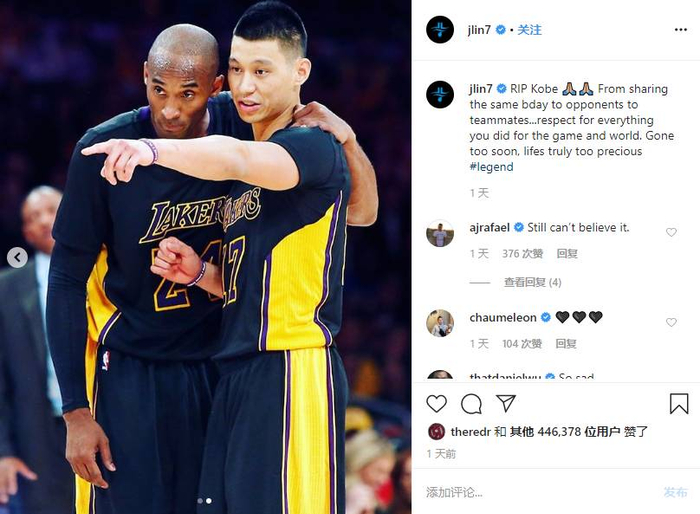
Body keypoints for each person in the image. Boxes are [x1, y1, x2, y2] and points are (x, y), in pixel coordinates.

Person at [48, 22, 376, 514]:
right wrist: (75, 408)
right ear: (143, 75)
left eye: (188, 92)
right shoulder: (105, 147)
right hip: (134, 367)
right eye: (158, 89)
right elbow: (65, 279)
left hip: (222, 363)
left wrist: (346, 138)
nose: (170, 109)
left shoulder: (249, 128)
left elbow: (357, 209)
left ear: (213, 86)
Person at [0, 187, 73, 514]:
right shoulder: (7, 288)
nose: (44, 221)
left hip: (105, 419)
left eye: (52, 210)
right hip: (38, 437)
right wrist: (3, 451)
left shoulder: (108, 270)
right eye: (34, 217)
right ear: (26, 233)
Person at [345, 430, 396, 514]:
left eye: (388, 473)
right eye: (379, 471)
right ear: (359, 464)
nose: (383, 480)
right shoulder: (360, 494)